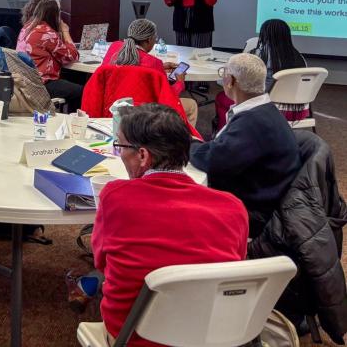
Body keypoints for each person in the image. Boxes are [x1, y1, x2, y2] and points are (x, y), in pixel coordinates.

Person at [94, 104, 248, 346]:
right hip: (210, 332)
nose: (120, 154)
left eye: (120, 146)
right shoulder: (233, 207)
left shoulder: (115, 196)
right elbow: (232, 268)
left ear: (143, 155)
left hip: (136, 334)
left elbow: (102, 263)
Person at [190, 53, 300, 235]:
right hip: (261, 196)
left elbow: (212, 161)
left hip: (251, 212)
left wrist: (186, 144)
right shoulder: (263, 112)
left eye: (223, 72)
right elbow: (222, 150)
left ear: (231, 80)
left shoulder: (253, 122)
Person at [102, 19, 198, 126]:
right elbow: (167, 98)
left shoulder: (114, 48)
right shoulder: (154, 63)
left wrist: (161, 67)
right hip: (143, 116)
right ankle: (184, 141)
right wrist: (180, 82)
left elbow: (130, 68)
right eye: (155, 39)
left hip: (110, 110)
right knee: (192, 105)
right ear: (149, 40)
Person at [216, 19, 308, 127]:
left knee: (221, 97)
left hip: (271, 110)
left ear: (264, 35)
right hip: (300, 111)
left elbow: (246, 84)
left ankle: (224, 135)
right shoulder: (300, 57)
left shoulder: (260, 56)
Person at [16, 0, 82, 111]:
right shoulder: (47, 33)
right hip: (42, 85)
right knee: (81, 91)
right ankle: (74, 122)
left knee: (69, 82)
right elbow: (73, 55)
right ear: (55, 15)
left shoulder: (27, 28)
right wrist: (65, 31)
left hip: (25, 82)